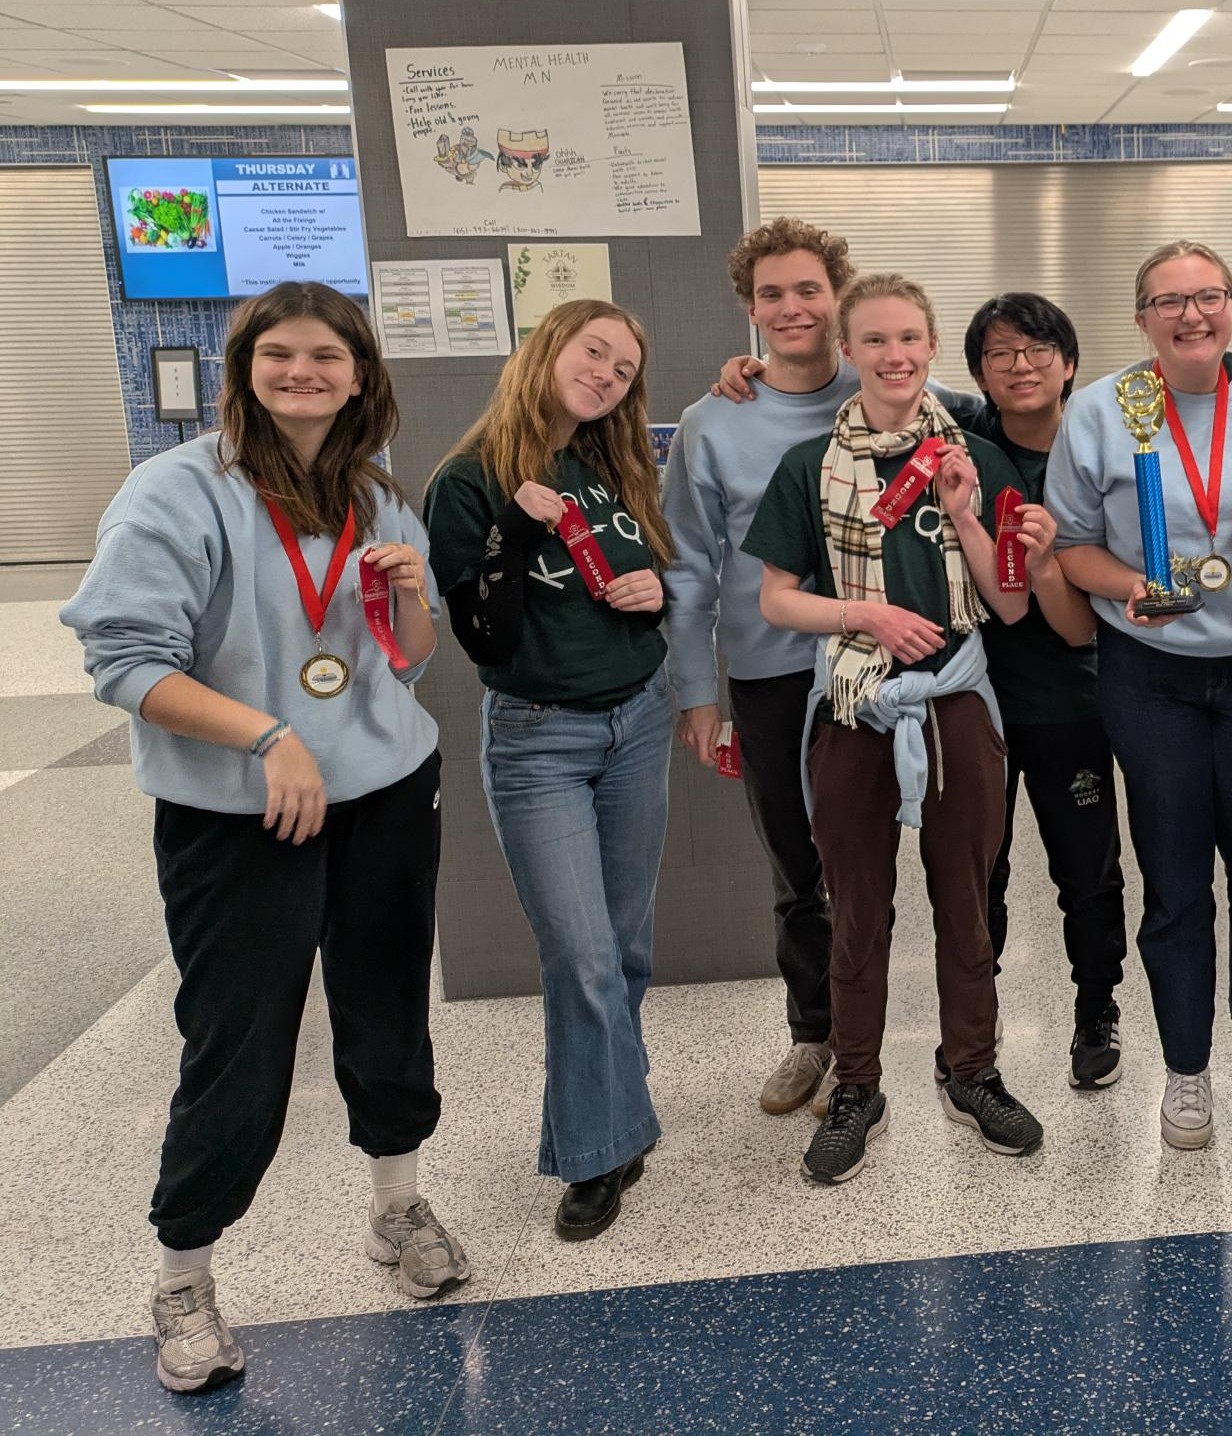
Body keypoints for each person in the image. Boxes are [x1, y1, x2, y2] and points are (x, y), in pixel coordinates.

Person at [62, 281, 465, 1394]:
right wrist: (269, 736)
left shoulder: (376, 497)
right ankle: (184, 1271)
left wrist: (412, 592)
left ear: (358, 373)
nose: (302, 372)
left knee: (387, 1010)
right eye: (277, 355)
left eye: (325, 355)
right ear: (242, 369)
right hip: (242, 811)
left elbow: (409, 657)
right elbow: (125, 663)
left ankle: (397, 1205)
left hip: (383, 789)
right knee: (237, 1045)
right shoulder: (176, 492)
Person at [742, 273, 1046, 1184]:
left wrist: (962, 509)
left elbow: (1010, 603)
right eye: (874, 341)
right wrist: (865, 619)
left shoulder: (977, 458)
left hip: (955, 697)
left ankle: (973, 1071)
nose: (896, 356)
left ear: (931, 342)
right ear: (848, 351)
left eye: (911, 337)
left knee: (967, 899)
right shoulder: (809, 469)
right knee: (857, 910)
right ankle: (858, 1086)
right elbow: (776, 599)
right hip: (855, 703)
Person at [1046, 240, 1232, 1151]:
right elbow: (1072, 546)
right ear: (1141, 320)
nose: (1190, 314)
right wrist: (1127, 586)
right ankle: (1185, 1067)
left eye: (1207, 296)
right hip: (1150, 674)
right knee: (1172, 873)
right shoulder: (1104, 408)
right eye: (1168, 301)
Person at [424, 299, 675, 1240]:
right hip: (539, 739)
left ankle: (612, 1115)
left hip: (637, 719)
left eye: (623, 367)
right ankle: (597, 1150)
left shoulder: (612, 464)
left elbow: (644, 589)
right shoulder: (467, 480)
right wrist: (519, 533)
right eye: (594, 351)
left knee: (626, 946)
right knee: (580, 957)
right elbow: (481, 633)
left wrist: (659, 591)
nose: (607, 374)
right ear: (545, 351)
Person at [663, 218, 860, 1123]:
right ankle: (812, 1033)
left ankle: (881, 1044)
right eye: (772, 294)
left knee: (886, 866)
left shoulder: (889, 390)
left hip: (879, 665)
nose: (791, 308)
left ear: (836, 297)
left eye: (807, 290)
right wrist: (697, 691)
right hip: (771, 675)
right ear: (749, 311)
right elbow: (689, 567)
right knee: (797, 866)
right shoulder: (712, 423)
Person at [958, 293, 1131, 1089]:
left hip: (1071, 696)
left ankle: (1097, 1010)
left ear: (1068, 362)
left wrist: (1049, 560)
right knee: (974, 870)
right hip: (974, 702)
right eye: (1000, 356)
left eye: (1036, 351)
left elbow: (1078, 629)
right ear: (979, 376)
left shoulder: (1101, 448)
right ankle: (973, 1021)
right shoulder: (956, 445)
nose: (1020, 367)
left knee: (1086, 869)